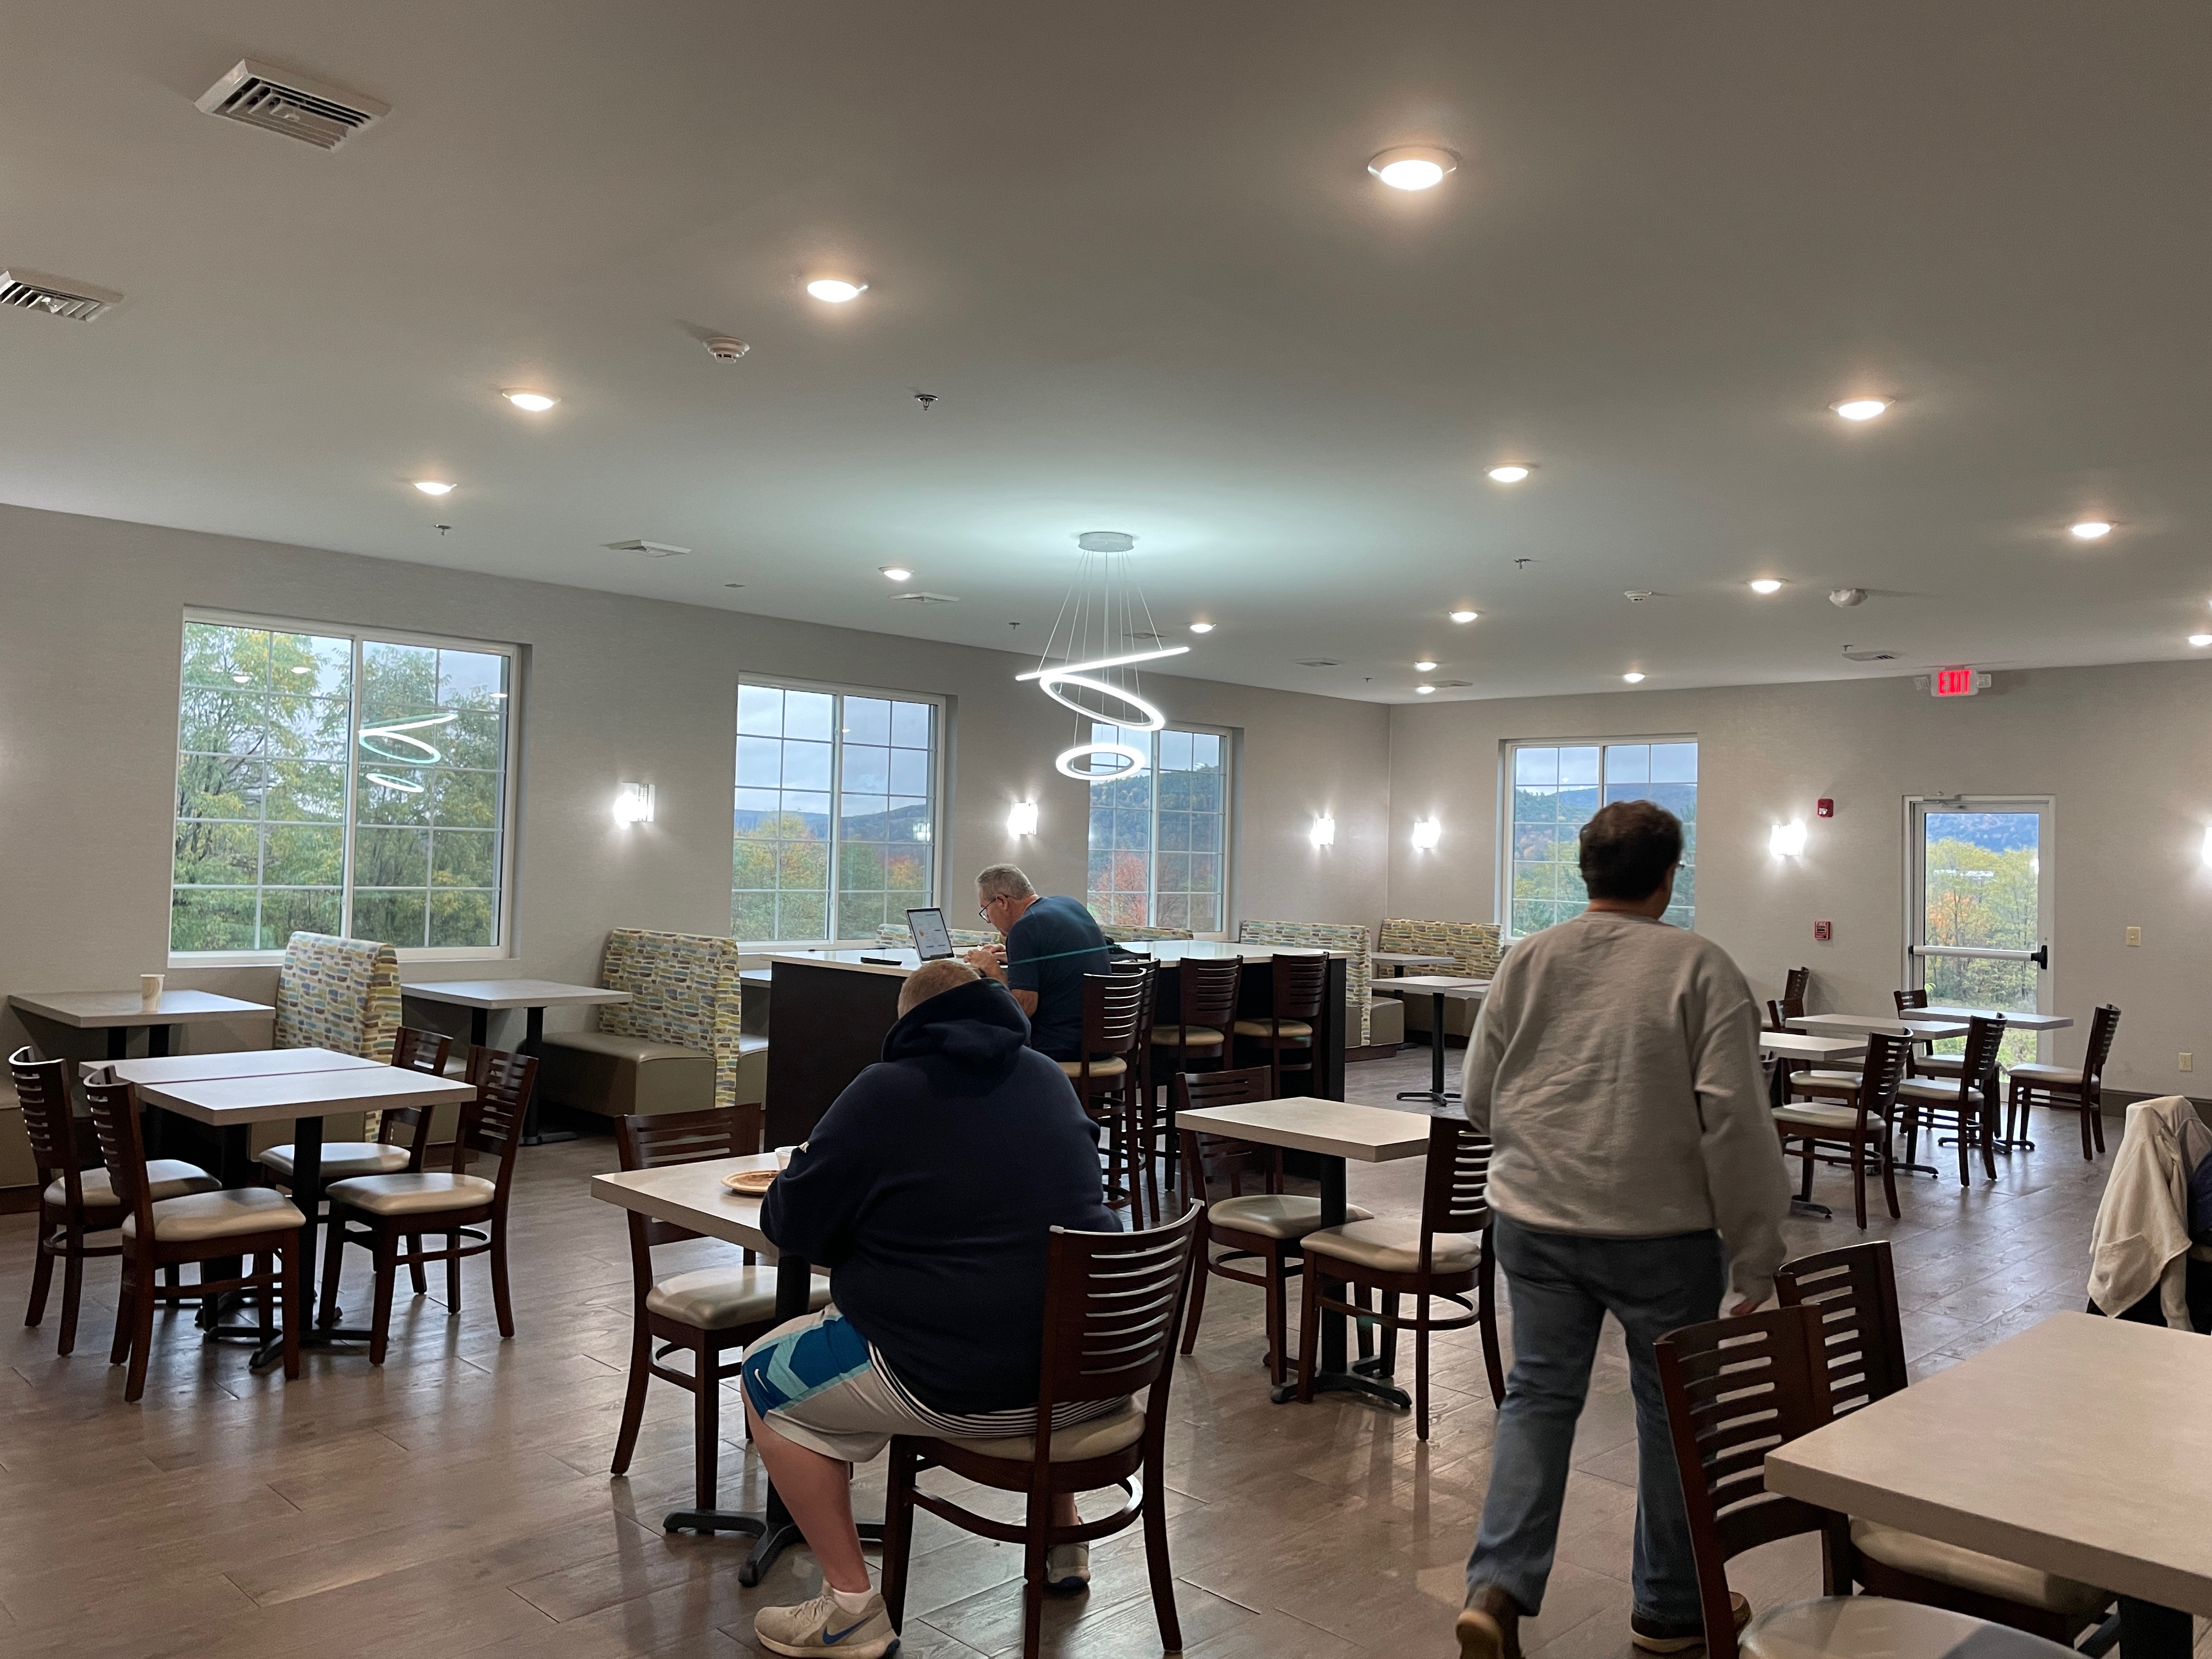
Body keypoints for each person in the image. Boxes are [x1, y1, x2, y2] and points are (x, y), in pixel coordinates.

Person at [1455, 799, 1791, 1659]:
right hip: (1662, 1235)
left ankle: (1496, 1588)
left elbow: (1480, 1098)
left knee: (1538, 1396)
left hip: (1533, 1217)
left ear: (1585, 874)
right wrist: (1757, 1253)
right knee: (1674, 1411)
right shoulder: (1702, 968)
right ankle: (1671, 1609)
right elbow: (1737, 1124)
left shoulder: (1528, 959)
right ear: (1669, 877)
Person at [742, 957, 1124, 1659]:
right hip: (1096, 1375)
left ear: (908, 1023)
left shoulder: (886, 1089)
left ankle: (849, 1610)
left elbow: (791, 1224)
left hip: (967, 1382)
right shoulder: (1047, 1077)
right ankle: (1064, 1541)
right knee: (1028, 1286)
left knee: (764, 1376)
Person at [962, 862, 1112, 1060]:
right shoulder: (1069, 905)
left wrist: (992, 968)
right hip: (1104, 1039)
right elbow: (1056, 957)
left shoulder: (1025, 928)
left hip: (1062, 1046)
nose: (988, 920)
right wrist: (1012, 955)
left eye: (986, 910)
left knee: (973, 1042)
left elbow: (1022, 1010)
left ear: (1002, 902)